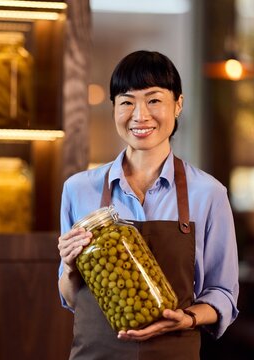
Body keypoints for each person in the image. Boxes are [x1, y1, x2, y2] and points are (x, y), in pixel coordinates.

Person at [57, 50, 239, 359]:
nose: (140, 115)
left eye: (154, 100)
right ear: (114, 107)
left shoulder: (208, 193)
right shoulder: (78, 189)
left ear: (178, 104)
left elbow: (223, 293)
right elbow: (72, 298)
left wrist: (189, 317)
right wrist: (72, 265)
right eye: (127, 102)